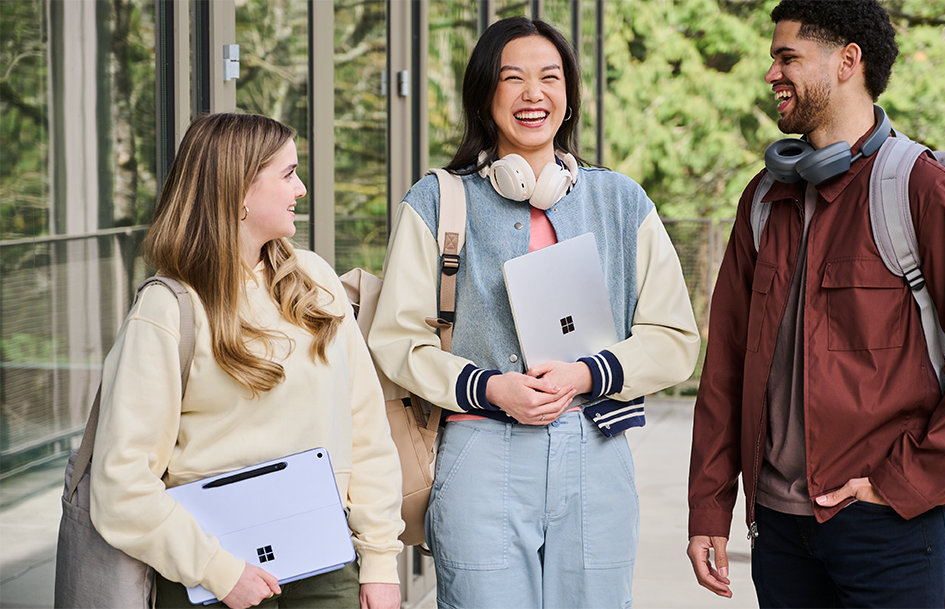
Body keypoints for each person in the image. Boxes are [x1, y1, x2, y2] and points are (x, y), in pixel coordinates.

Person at [686, 1, 945, 607]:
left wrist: (904, 482)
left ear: (848, 62)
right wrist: (710, 506)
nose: (772, 74)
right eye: (772, 59)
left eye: (788, 57)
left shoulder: (927, 190)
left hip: (887, 526)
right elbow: (726, 368)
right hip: (779, 530)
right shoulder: (763, 201)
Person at [367, 16, 699, 609]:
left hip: (597, 453)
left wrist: (586, 374)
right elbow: (397, 340)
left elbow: (674, 338)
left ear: (568, 95)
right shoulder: (437, 201)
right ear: (484, 94)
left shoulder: (621, 201)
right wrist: (490, 387)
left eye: (549, 77)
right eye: (511, 78)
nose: (532, 93)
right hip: (480, 451)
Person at [88, 113, 403, 609]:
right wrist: (216, 571)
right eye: (287, 174)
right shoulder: (168, 309)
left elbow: (365, 430)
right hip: (211, 574)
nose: (300, 189)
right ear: (238, 192)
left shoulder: (315, 279)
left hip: (327, 562)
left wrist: (381, 562)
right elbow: (120, 483)